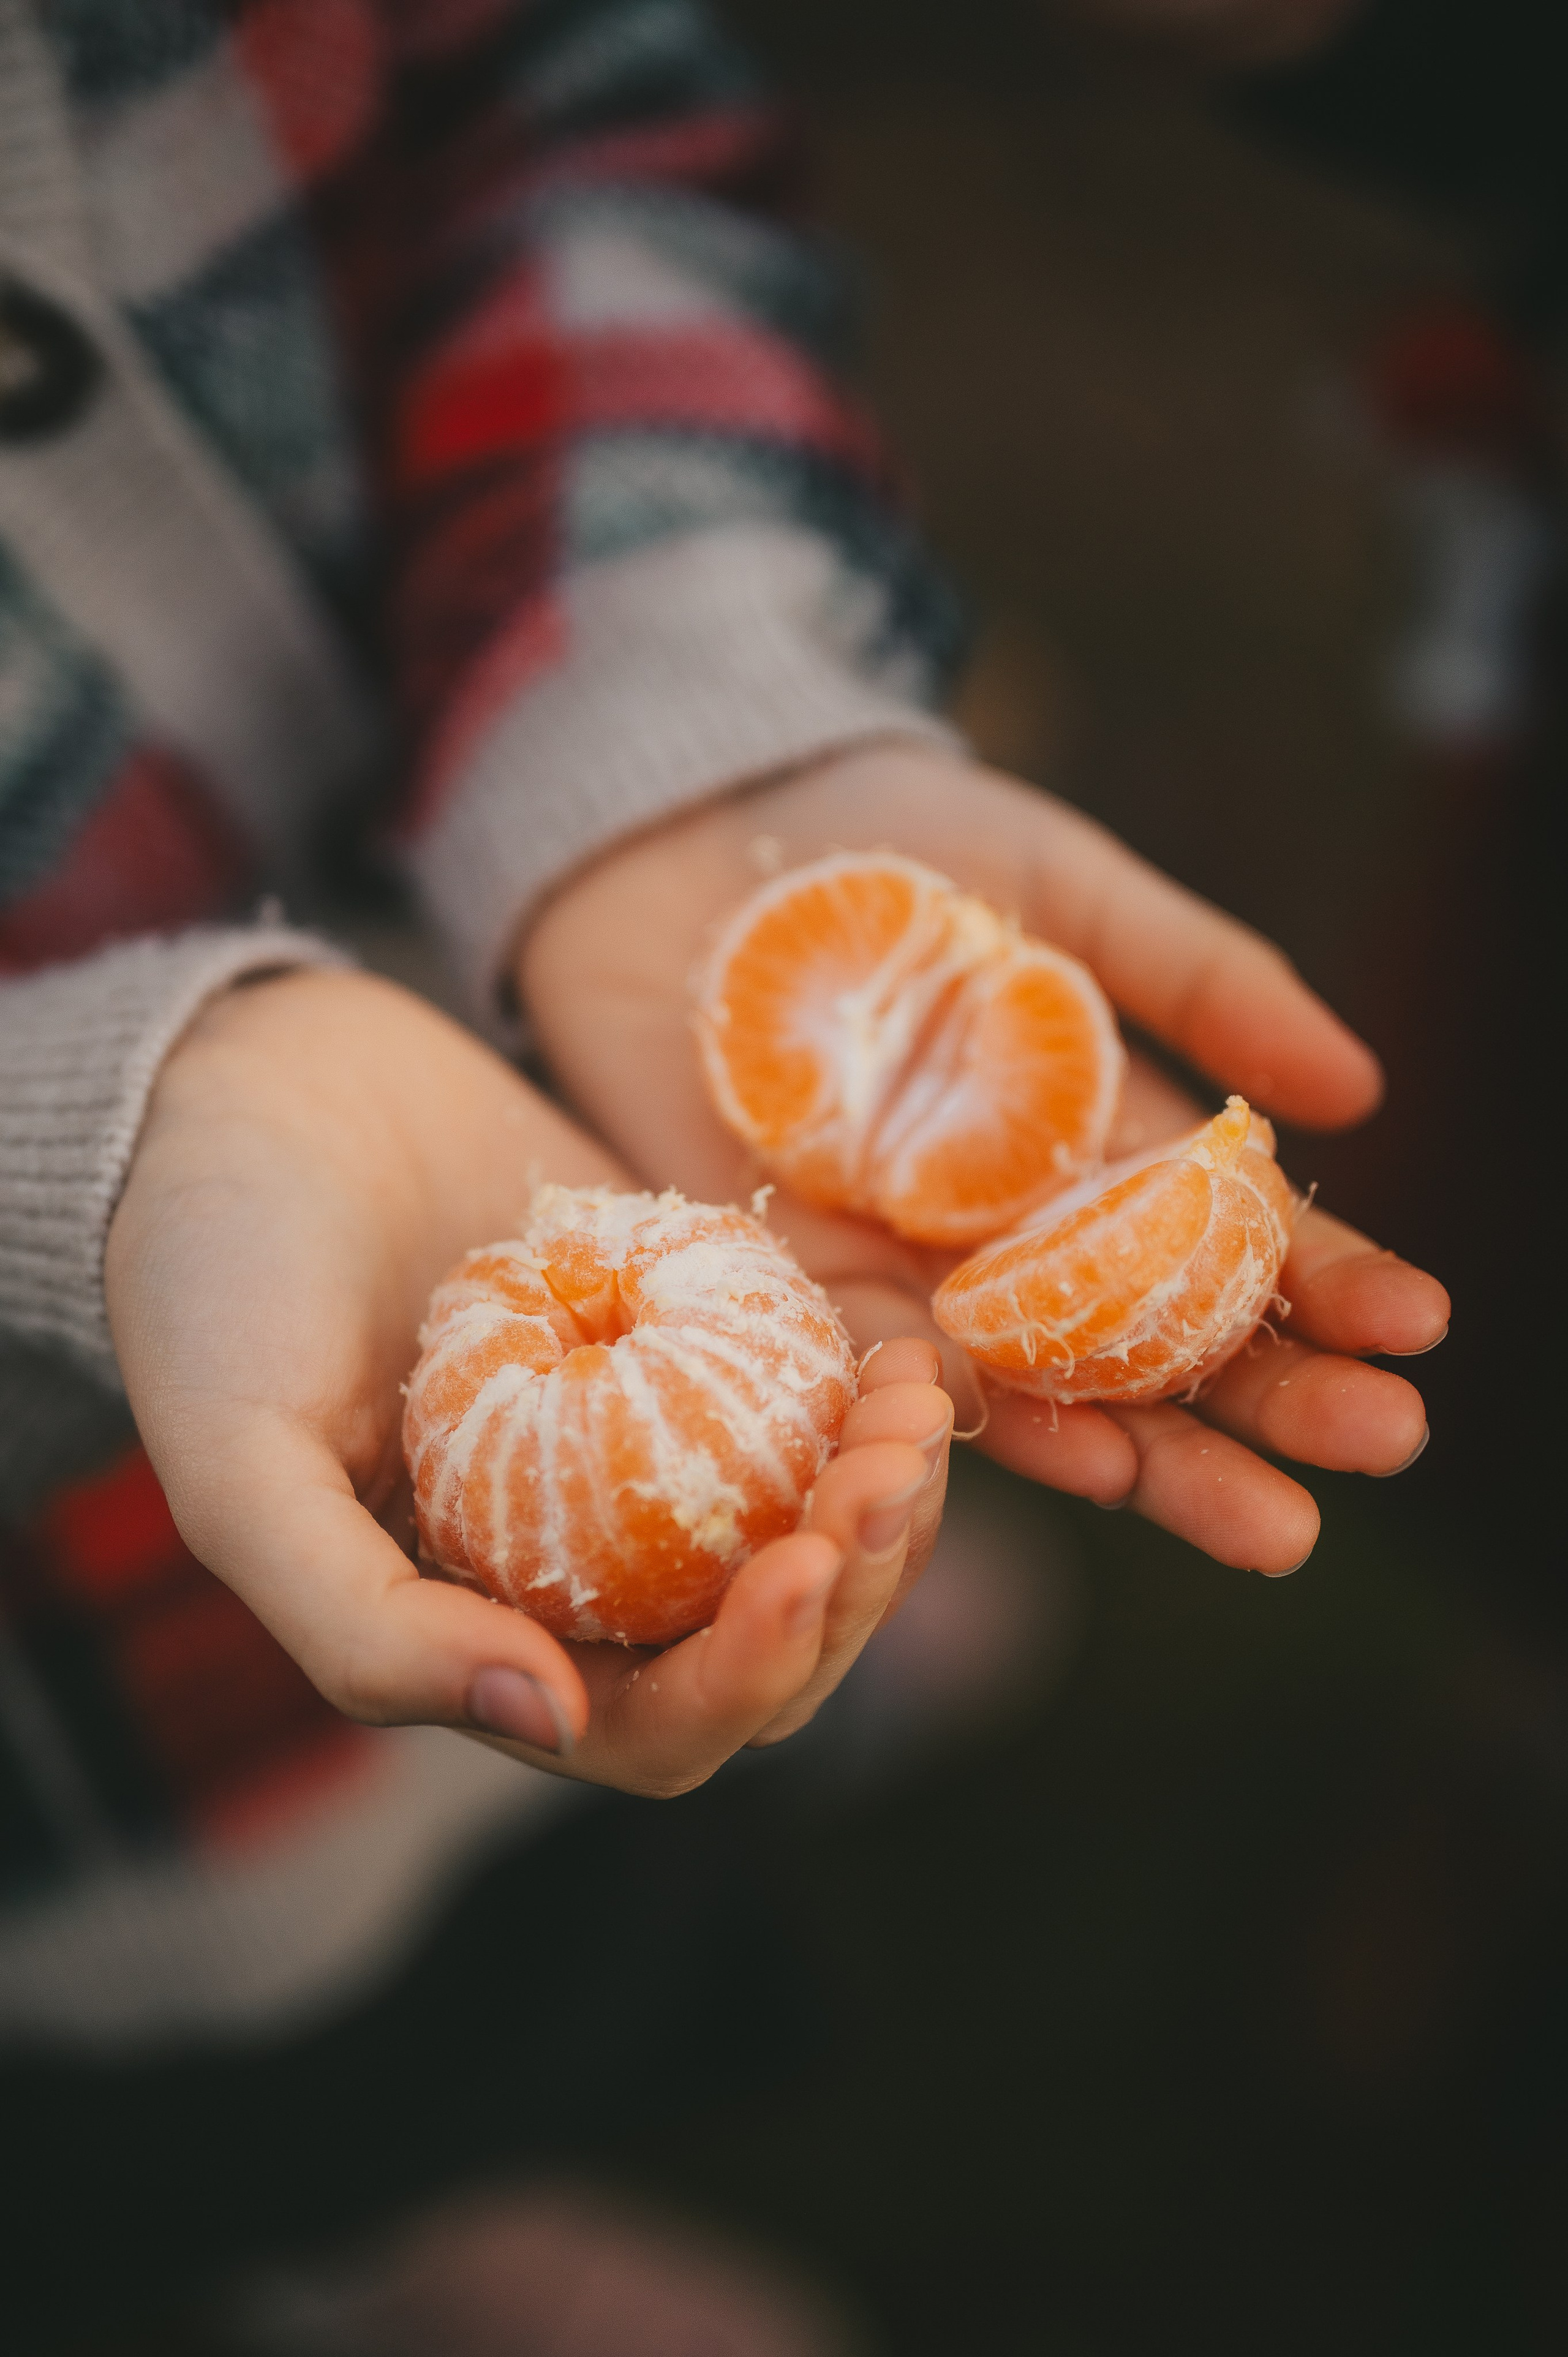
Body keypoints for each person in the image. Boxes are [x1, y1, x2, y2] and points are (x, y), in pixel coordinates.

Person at [0, 0, 1447, 2345]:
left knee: (707, 1675)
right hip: (90, 1690)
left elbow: (564, 112)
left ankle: (501, 2105)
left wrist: (660, 708)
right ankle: (351, 2248)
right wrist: (94, 1129)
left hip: (492, 1053)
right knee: (272, 2036)